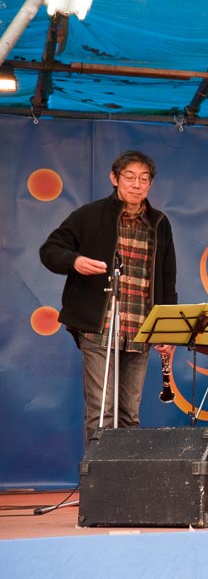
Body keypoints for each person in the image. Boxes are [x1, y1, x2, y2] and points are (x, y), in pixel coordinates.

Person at [39, 150, 177, 449]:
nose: (136, 185)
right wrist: (74, 261)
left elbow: (167, 279)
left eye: (144, 179)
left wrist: (166, 331)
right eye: (129, 177)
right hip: (98, 329)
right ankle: (97, 486)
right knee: (102, 412)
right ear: (114, 179)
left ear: (150, 184)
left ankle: (124, 483)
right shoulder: (90, 215)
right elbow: (50, 250)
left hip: (141, 329)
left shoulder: (159, 222)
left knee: (130, 414)